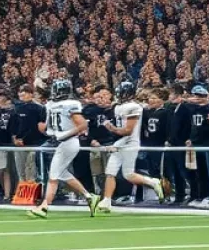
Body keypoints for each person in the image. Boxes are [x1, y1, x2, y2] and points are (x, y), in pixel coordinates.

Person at [28, 79, 100, 218]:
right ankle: (89, 196)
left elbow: (83, 125)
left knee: (53, 176)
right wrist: (49, 131)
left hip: (69, 142)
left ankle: (44, 207)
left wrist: (65, 135)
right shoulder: (51, 105)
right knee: (61, 174)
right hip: (62, 142)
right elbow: (50, 127)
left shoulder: (70, 104)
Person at [98, 80, 165, 212]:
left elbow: (128, 131)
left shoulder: (134, 107)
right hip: (121, 141)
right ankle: (107, 201)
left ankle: (153, 182)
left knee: (128, 174)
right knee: (110, 172)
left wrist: (112, 129)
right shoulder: (118, 107)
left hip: (130, 142)